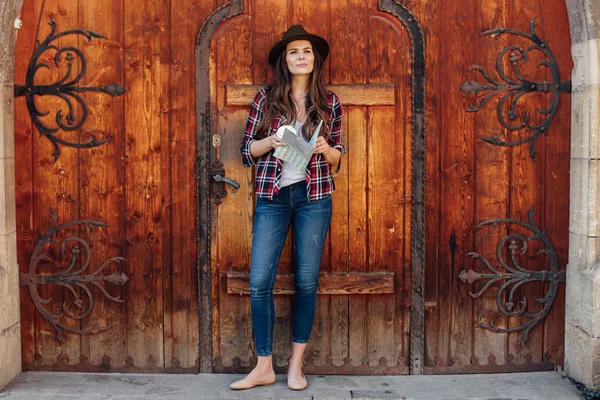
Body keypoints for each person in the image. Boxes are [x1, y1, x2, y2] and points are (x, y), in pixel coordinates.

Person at [230, 25, 345, 391]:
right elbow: (246, 152)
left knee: (306, 283)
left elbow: (339, 159)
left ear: (315, 60)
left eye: (306, 51)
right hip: (273, 198)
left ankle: (295, 366)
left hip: (314, 199)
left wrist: (326, 150)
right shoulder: (266, 100)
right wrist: (272, 139)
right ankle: (264, 365)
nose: (300, 57)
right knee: (259, 281)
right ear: (285, 60)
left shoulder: (330, 103)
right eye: (294, 51)